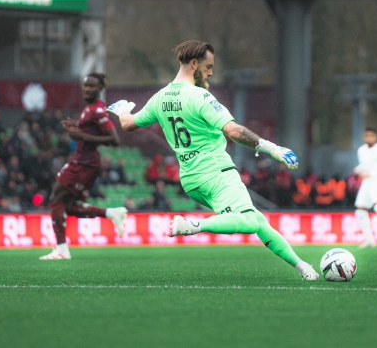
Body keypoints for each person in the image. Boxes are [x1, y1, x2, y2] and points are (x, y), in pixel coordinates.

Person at [109, 40, 319, 280]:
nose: (210, 72)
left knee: (257, 220)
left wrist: (122, 109)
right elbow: (233, 131)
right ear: (194, 63)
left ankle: (303, 268)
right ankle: (192, 226)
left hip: (191, 181)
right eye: (208, 67)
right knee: (250, 221)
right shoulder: (200, 97)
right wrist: (272, 148)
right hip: (216, 172)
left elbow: (127, 124)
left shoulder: (160, 98)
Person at [39, 73, 128, 260]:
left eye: (91, 86)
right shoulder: (89, 108)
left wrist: (83, 136)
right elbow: (86, 133)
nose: (87, 89)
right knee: (68, 206)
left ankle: (62, 249)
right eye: (85, 86)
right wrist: (77, 129)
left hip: (84, 163)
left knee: (55, 200)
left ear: (99, 89)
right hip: (82, 161)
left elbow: (114, 139)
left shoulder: (97, 110)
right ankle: (112, 213)